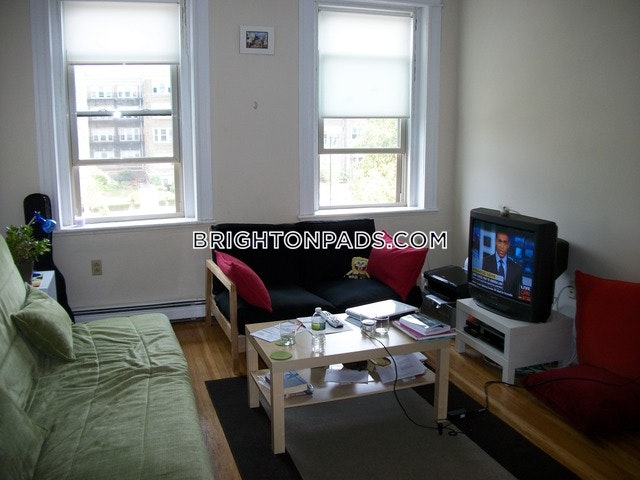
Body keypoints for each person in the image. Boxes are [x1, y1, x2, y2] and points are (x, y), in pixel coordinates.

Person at [482, 231, 522, 297]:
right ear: (495, 242)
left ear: (508, 245)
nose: (502, 246)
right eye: (499, 241)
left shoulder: (517, 269)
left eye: (505, 242)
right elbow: (484, 285)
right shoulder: (486, 262)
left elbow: (518, 294)